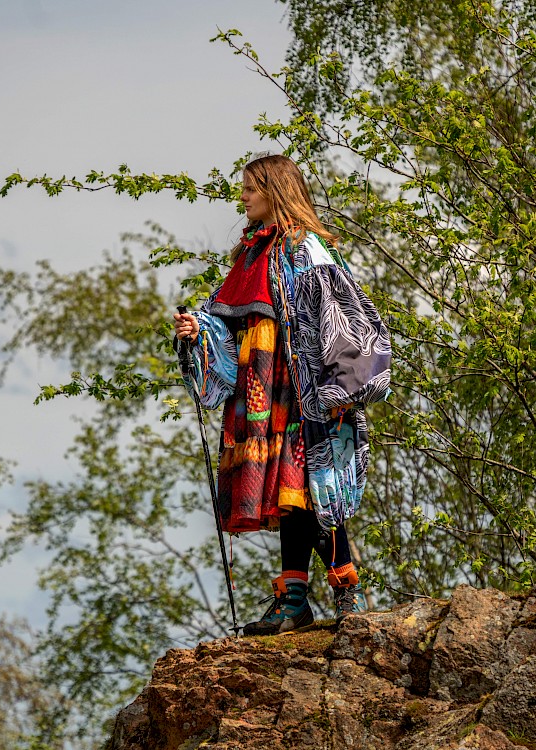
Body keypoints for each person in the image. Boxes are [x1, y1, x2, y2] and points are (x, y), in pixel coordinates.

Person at [174, 153, 391, 635]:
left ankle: (346, 590)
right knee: (288, 493)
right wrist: (199, 330)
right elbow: (230, 323)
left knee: (315, 488)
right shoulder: (250, 255)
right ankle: (293, 600)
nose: (242, 197)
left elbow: (342, 314)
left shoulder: (306, 248)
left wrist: (341, 385)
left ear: (275, 190)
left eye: (250, 188)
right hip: (260, 393)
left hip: (303, 388)